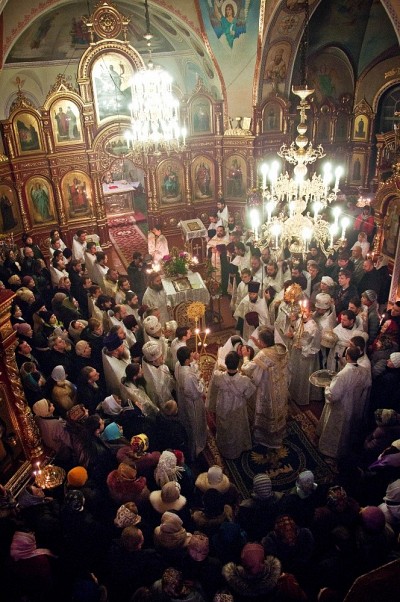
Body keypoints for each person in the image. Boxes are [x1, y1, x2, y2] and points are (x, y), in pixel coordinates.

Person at [317, 347, 370, 459]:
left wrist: (326, 387)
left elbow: (333, 396)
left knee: (336, 428)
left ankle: (330, 450)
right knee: (347, 429)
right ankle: (344, 448)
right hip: (354, 403)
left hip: (341, 406)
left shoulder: (342, 375)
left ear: (347, 356)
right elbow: (365, 385)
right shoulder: (364, 370)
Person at [242, 327, 289, 450]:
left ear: (263, 342)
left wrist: (245, 357)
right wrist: (260, 345)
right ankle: (279, 433)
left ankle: (266, 438)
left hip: (268, 388)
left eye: (259, 340)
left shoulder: (263, 354)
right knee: (278, 409)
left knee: (268, 410)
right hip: (280, 385)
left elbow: (247, 368)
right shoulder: (280, 348)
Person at [207, 350, 256, 459]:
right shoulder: (244, 381)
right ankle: (237, 448)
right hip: (237, 407)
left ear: (226, 363)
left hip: (223, 406)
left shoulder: (218, 376)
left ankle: (224, 447)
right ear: (238, 363)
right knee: (236, 427)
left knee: (224, 426)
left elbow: (214, 388)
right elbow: (249, 394)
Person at [175, 346, 207, 461]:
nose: (193, 355)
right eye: (191, 355)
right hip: (193, 403)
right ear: (187, 360)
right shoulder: (188, 375)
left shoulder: (178, 365)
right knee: (196, 423)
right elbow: (197, 392)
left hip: (183, 398)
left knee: (188, 421)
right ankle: (197, 447)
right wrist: (202, 381)